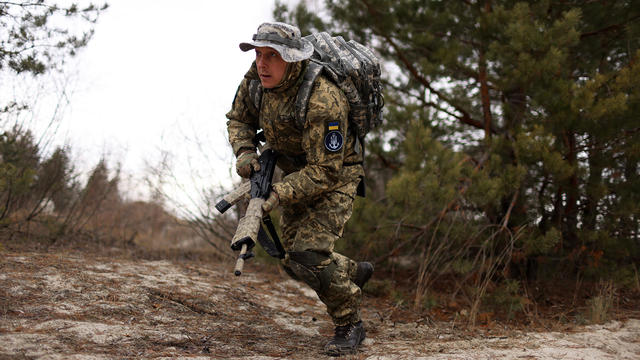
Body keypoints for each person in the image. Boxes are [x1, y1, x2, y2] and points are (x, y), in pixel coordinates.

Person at [225, 22, 374, 355]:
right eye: (258, 54)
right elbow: (238, 119)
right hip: (295, 175)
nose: (261, 64)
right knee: (292, 261)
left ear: (291, 59)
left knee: (308, 254)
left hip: (335, 177)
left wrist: (275, 195)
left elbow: (324, 171)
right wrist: (246, 152)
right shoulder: (255, 82)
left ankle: (350, 324)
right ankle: (350, 271)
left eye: (271, 56)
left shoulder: (323, 98)